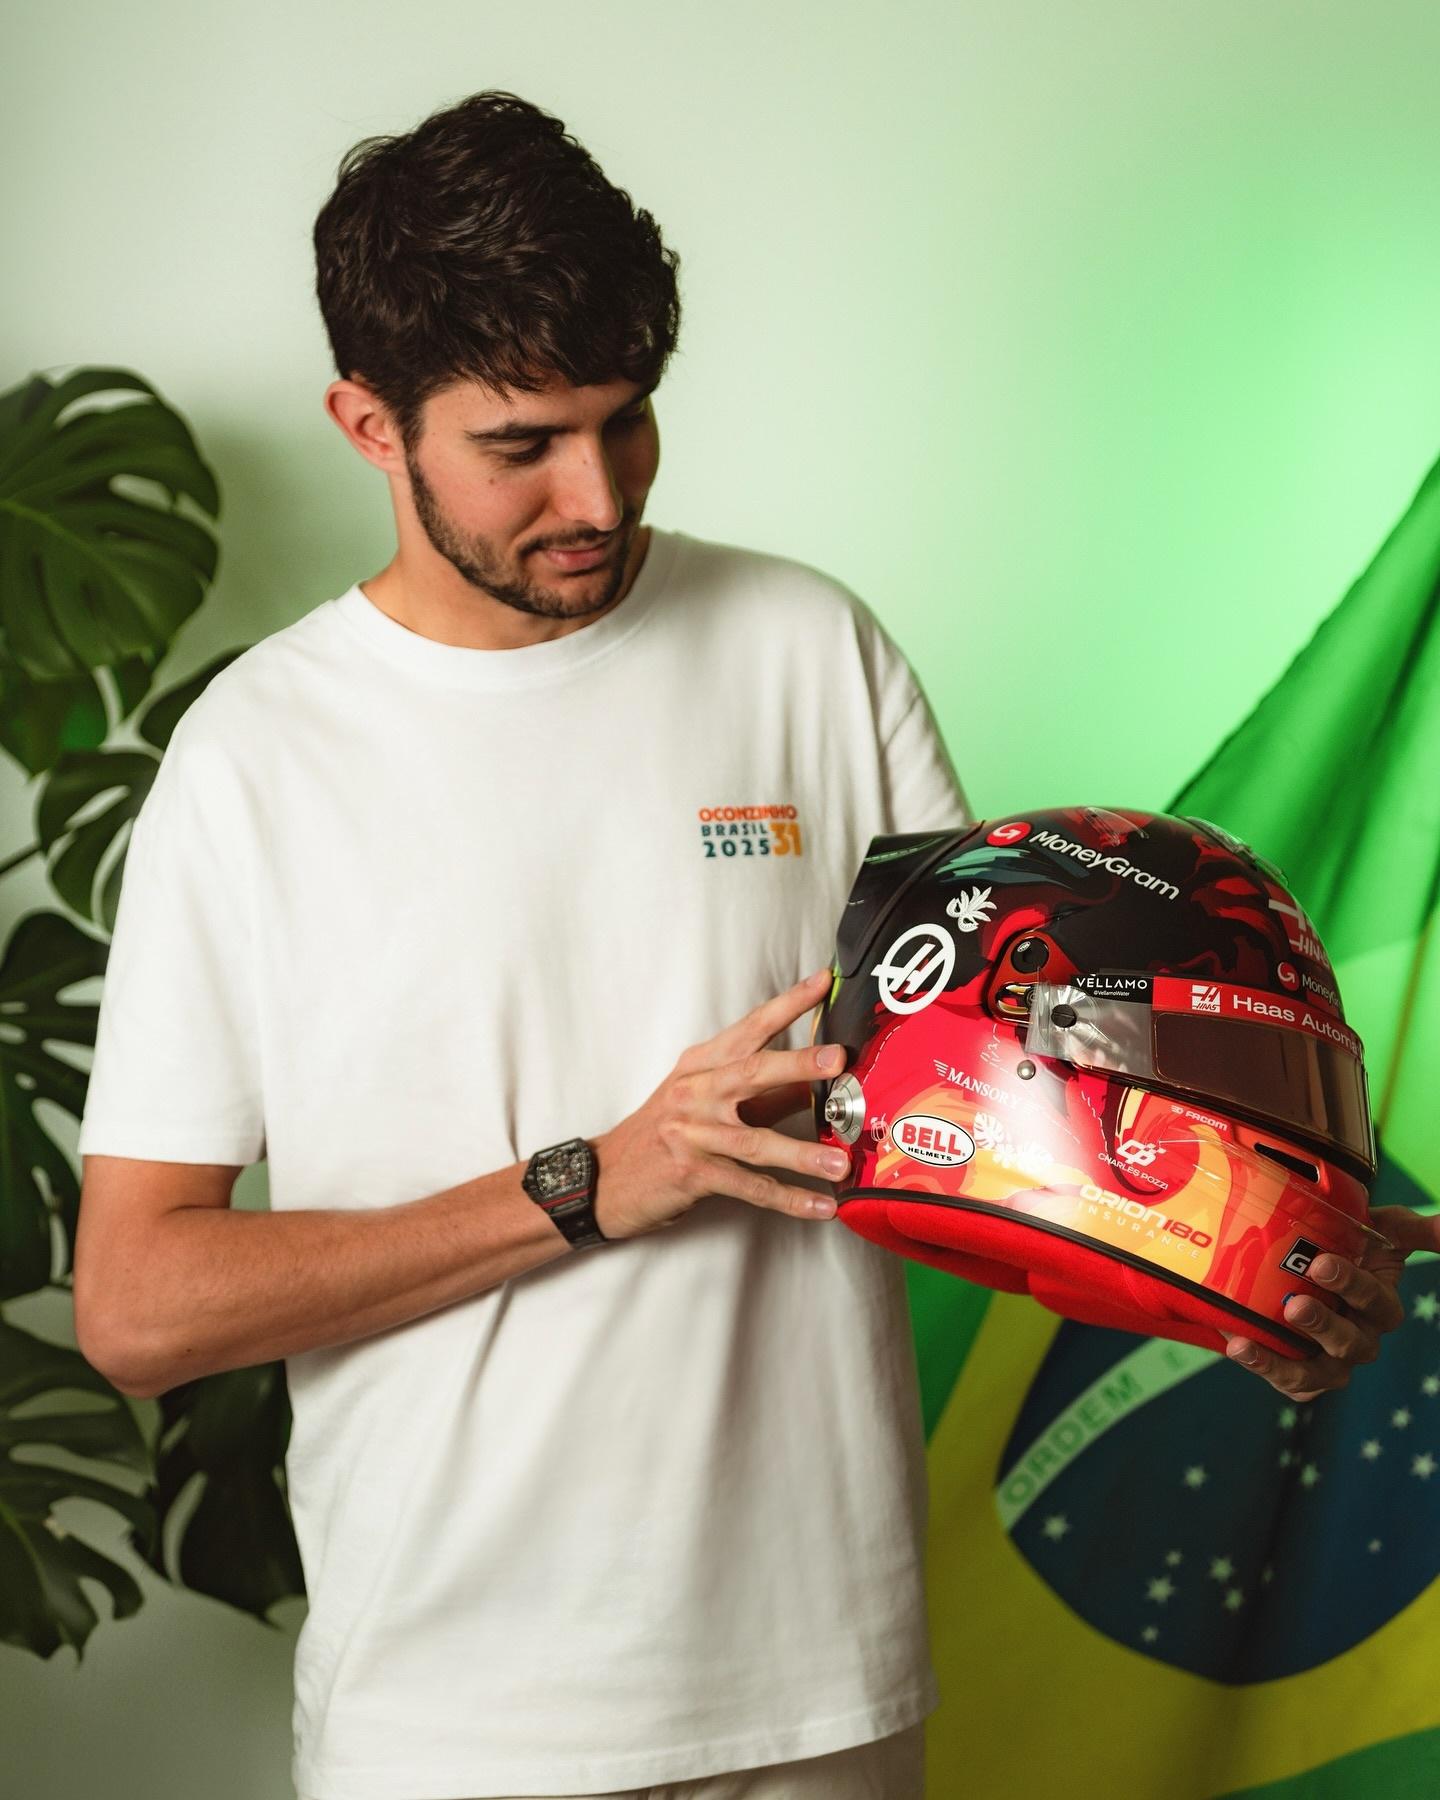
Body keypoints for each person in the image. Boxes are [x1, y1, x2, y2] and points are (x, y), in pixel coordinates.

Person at [70, 90, 1403, 1800]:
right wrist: (590, 1182)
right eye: (523, 443)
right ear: (368, 424)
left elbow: (994, 1115)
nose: (596, 492)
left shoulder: (808, 647)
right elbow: (138, 1304)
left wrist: (1247, 1254)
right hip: (459, 1723)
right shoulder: (258, 758)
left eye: (628, 421)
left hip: (821, 1689)